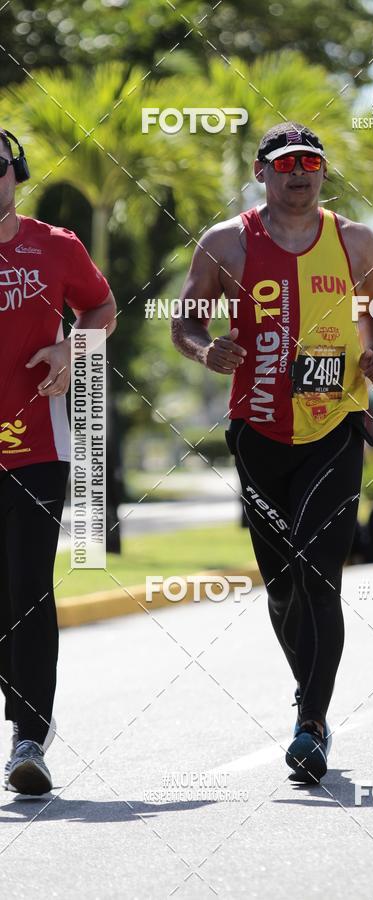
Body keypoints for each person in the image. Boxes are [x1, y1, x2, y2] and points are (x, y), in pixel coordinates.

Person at [173, 122, 373, 782]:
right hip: (258, 430)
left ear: (323, 172)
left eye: (312, 162)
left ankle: (311, 723)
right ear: (262, 170)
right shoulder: (226, 245)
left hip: (333, 424)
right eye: (286, 162)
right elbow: (187, 321)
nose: (300, 173)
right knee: (282, 585)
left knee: (320, 569)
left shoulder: (353, 239)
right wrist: (202, 348)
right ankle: (310, 693)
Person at [0, 128, 117, 794]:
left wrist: (74, 350)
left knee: (29, 587)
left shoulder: (57, 246)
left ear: (15, 173)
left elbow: (100, 305)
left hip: (38, 447)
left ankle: (27, 737)